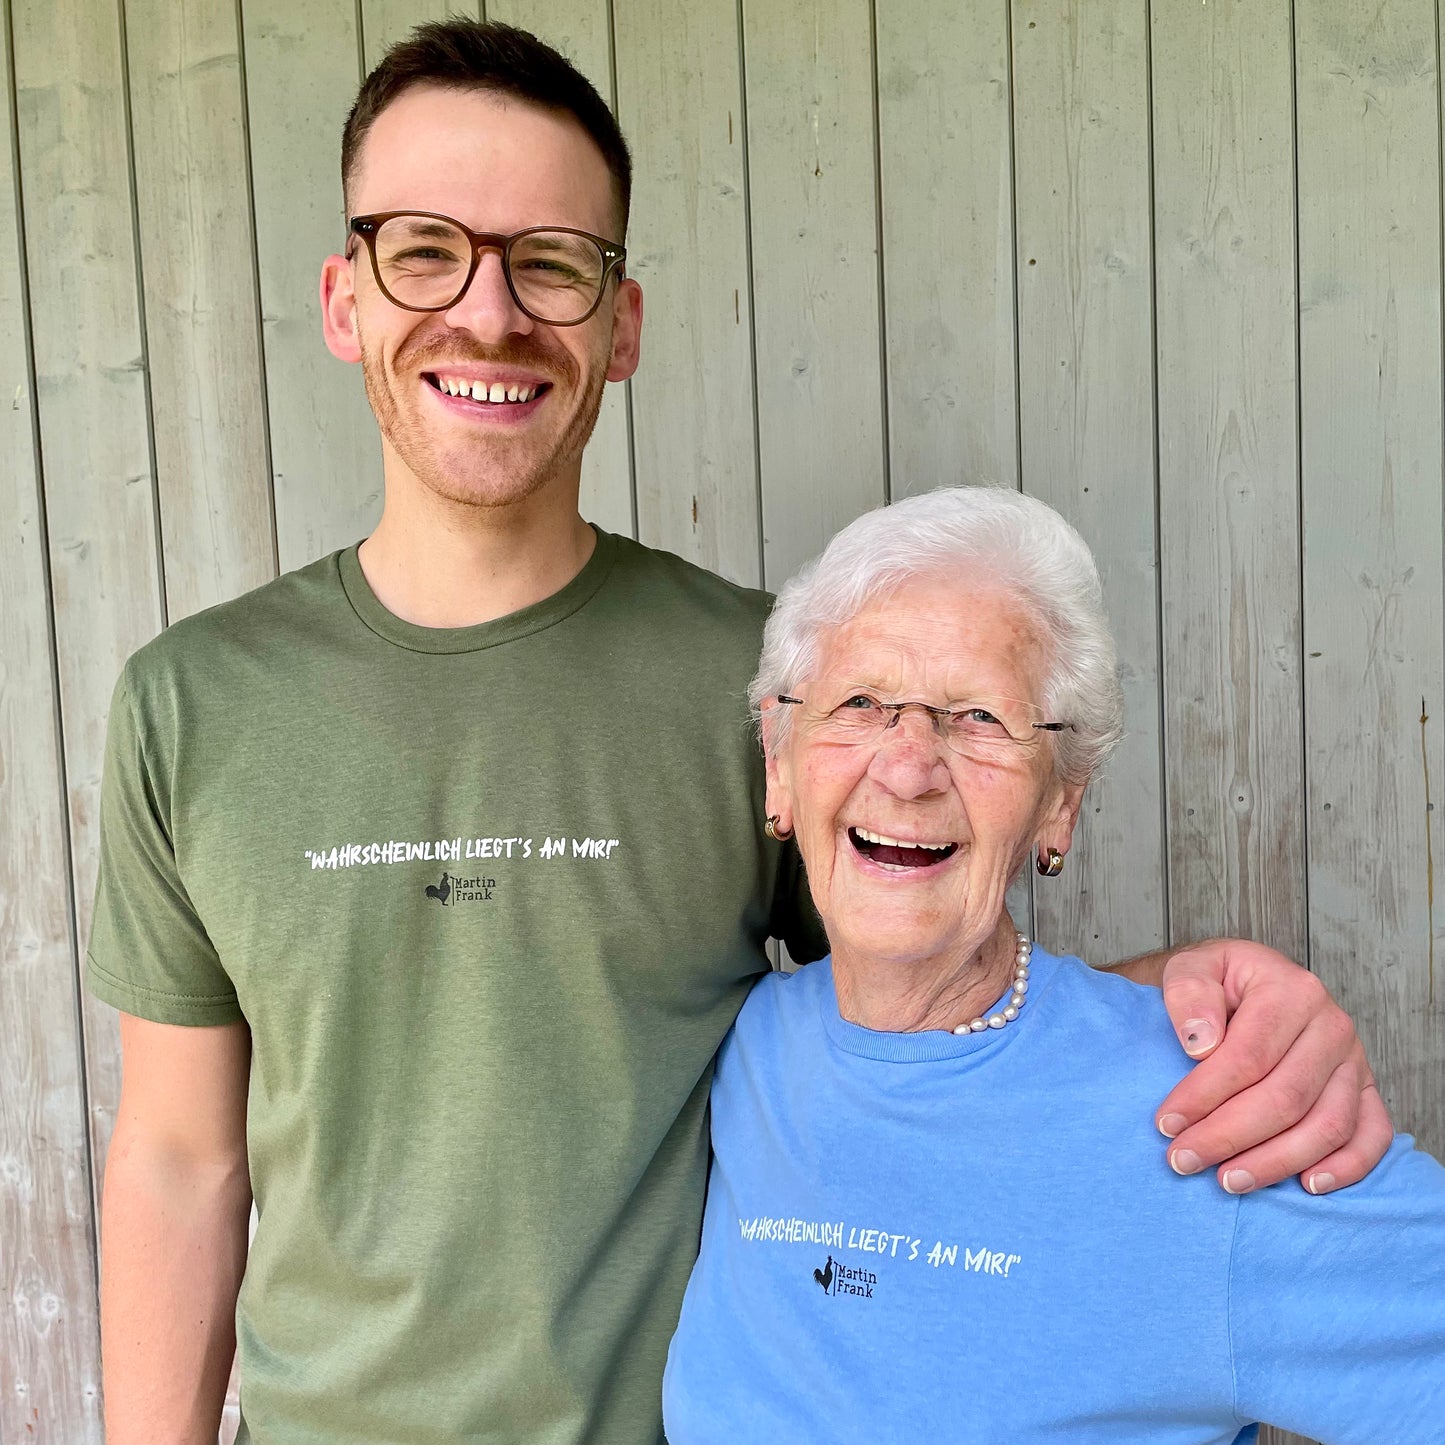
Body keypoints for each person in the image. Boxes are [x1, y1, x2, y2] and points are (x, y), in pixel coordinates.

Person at [87, 19, 1392, 1445]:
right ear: (345, 301)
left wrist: (1196, 1016)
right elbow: (176, 1157)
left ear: (619, 322)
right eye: (423, 249)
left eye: (551, 261)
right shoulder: (191, 701)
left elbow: (927, 997)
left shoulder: (767, 683)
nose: (489, 310)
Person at [662, 485, 1445, 1445]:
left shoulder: (1215, 1113)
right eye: (859, 702)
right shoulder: (743, 1052)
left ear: (1059, 805)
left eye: (980, 718)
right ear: (781, 766)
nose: (908, 767)